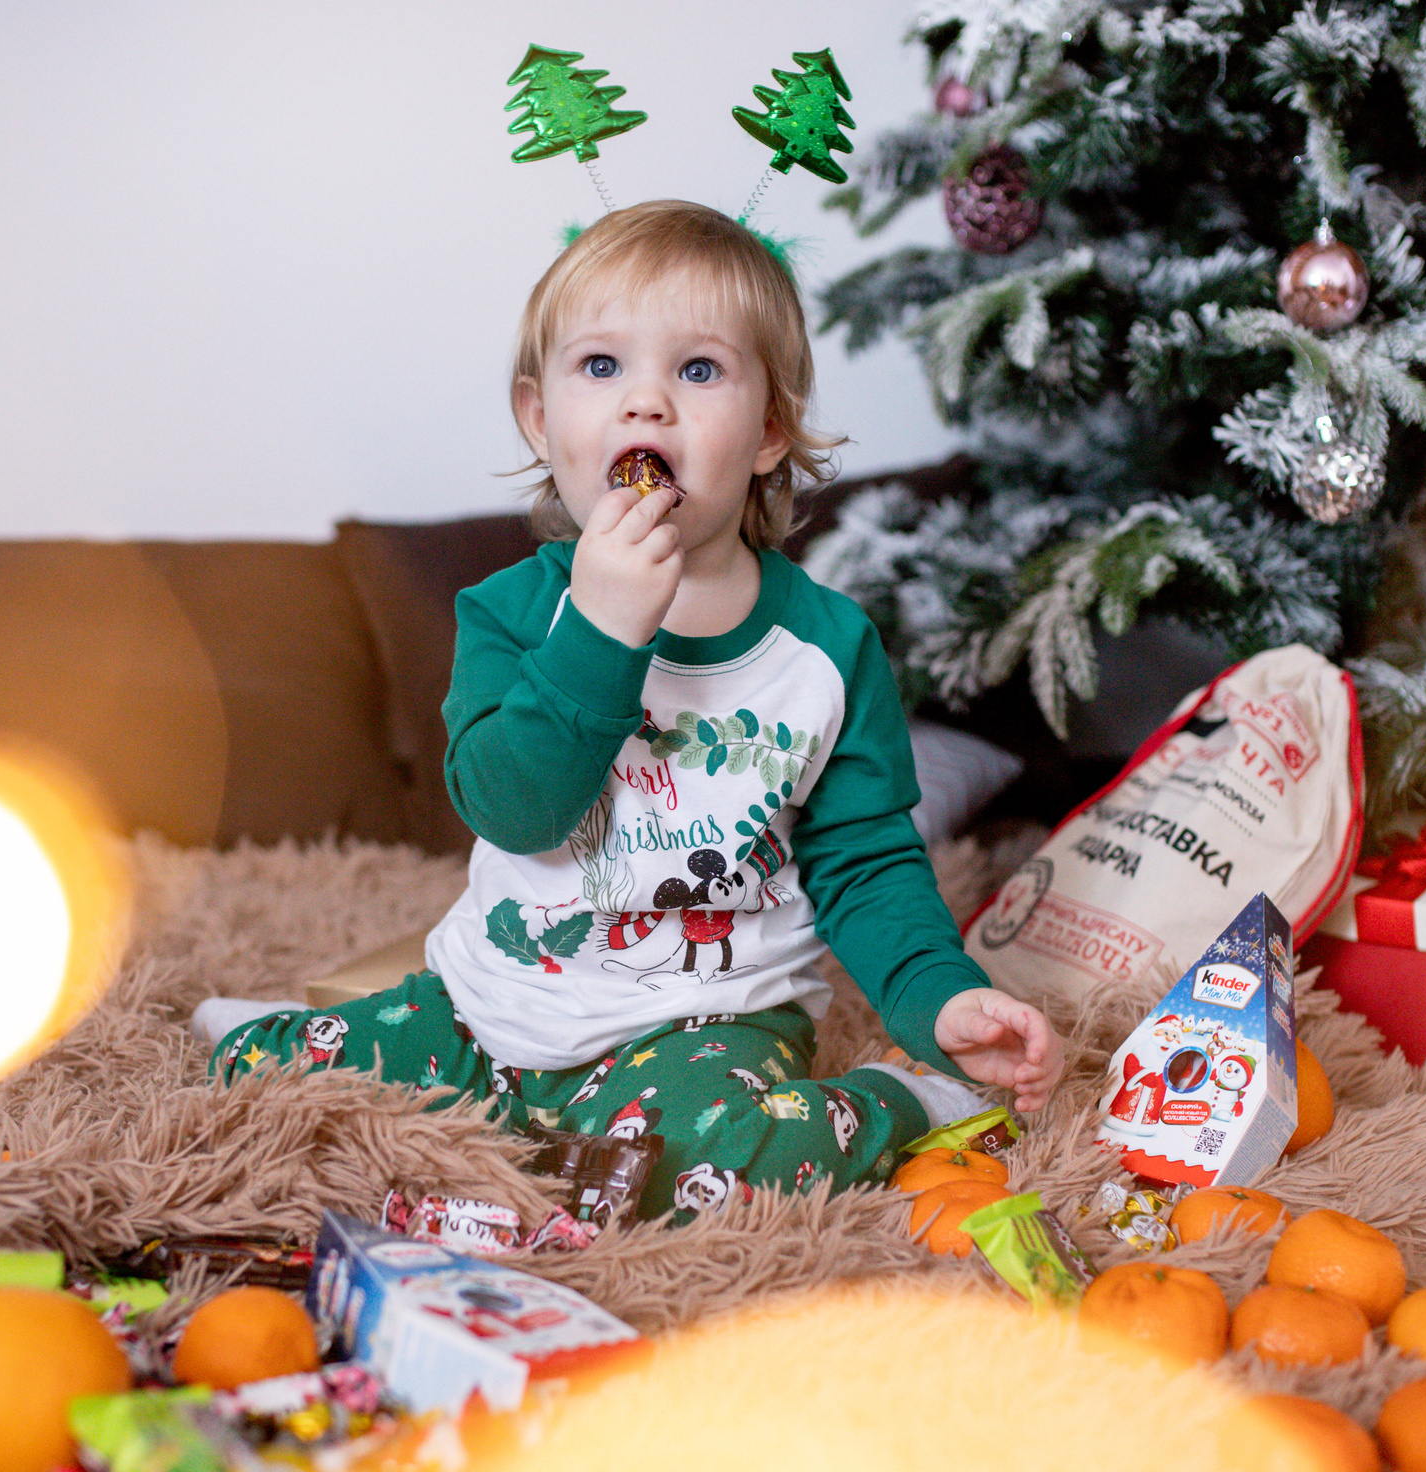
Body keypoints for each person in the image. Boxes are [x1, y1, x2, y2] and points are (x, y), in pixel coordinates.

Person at [196, 200, 1057, 1221]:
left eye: (697, 371)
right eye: (601, 368)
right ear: (539, 417)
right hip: (494, 1005)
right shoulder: (513, 611)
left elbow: (866, 862)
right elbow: (515, 810)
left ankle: (902, 1104)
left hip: (703, 1021)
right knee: (271, 1089)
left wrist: (936, 1002)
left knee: (702, 1164)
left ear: (770, 429)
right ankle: (304, 1034)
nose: (645, 404)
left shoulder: (824, 649)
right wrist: (599, 634)